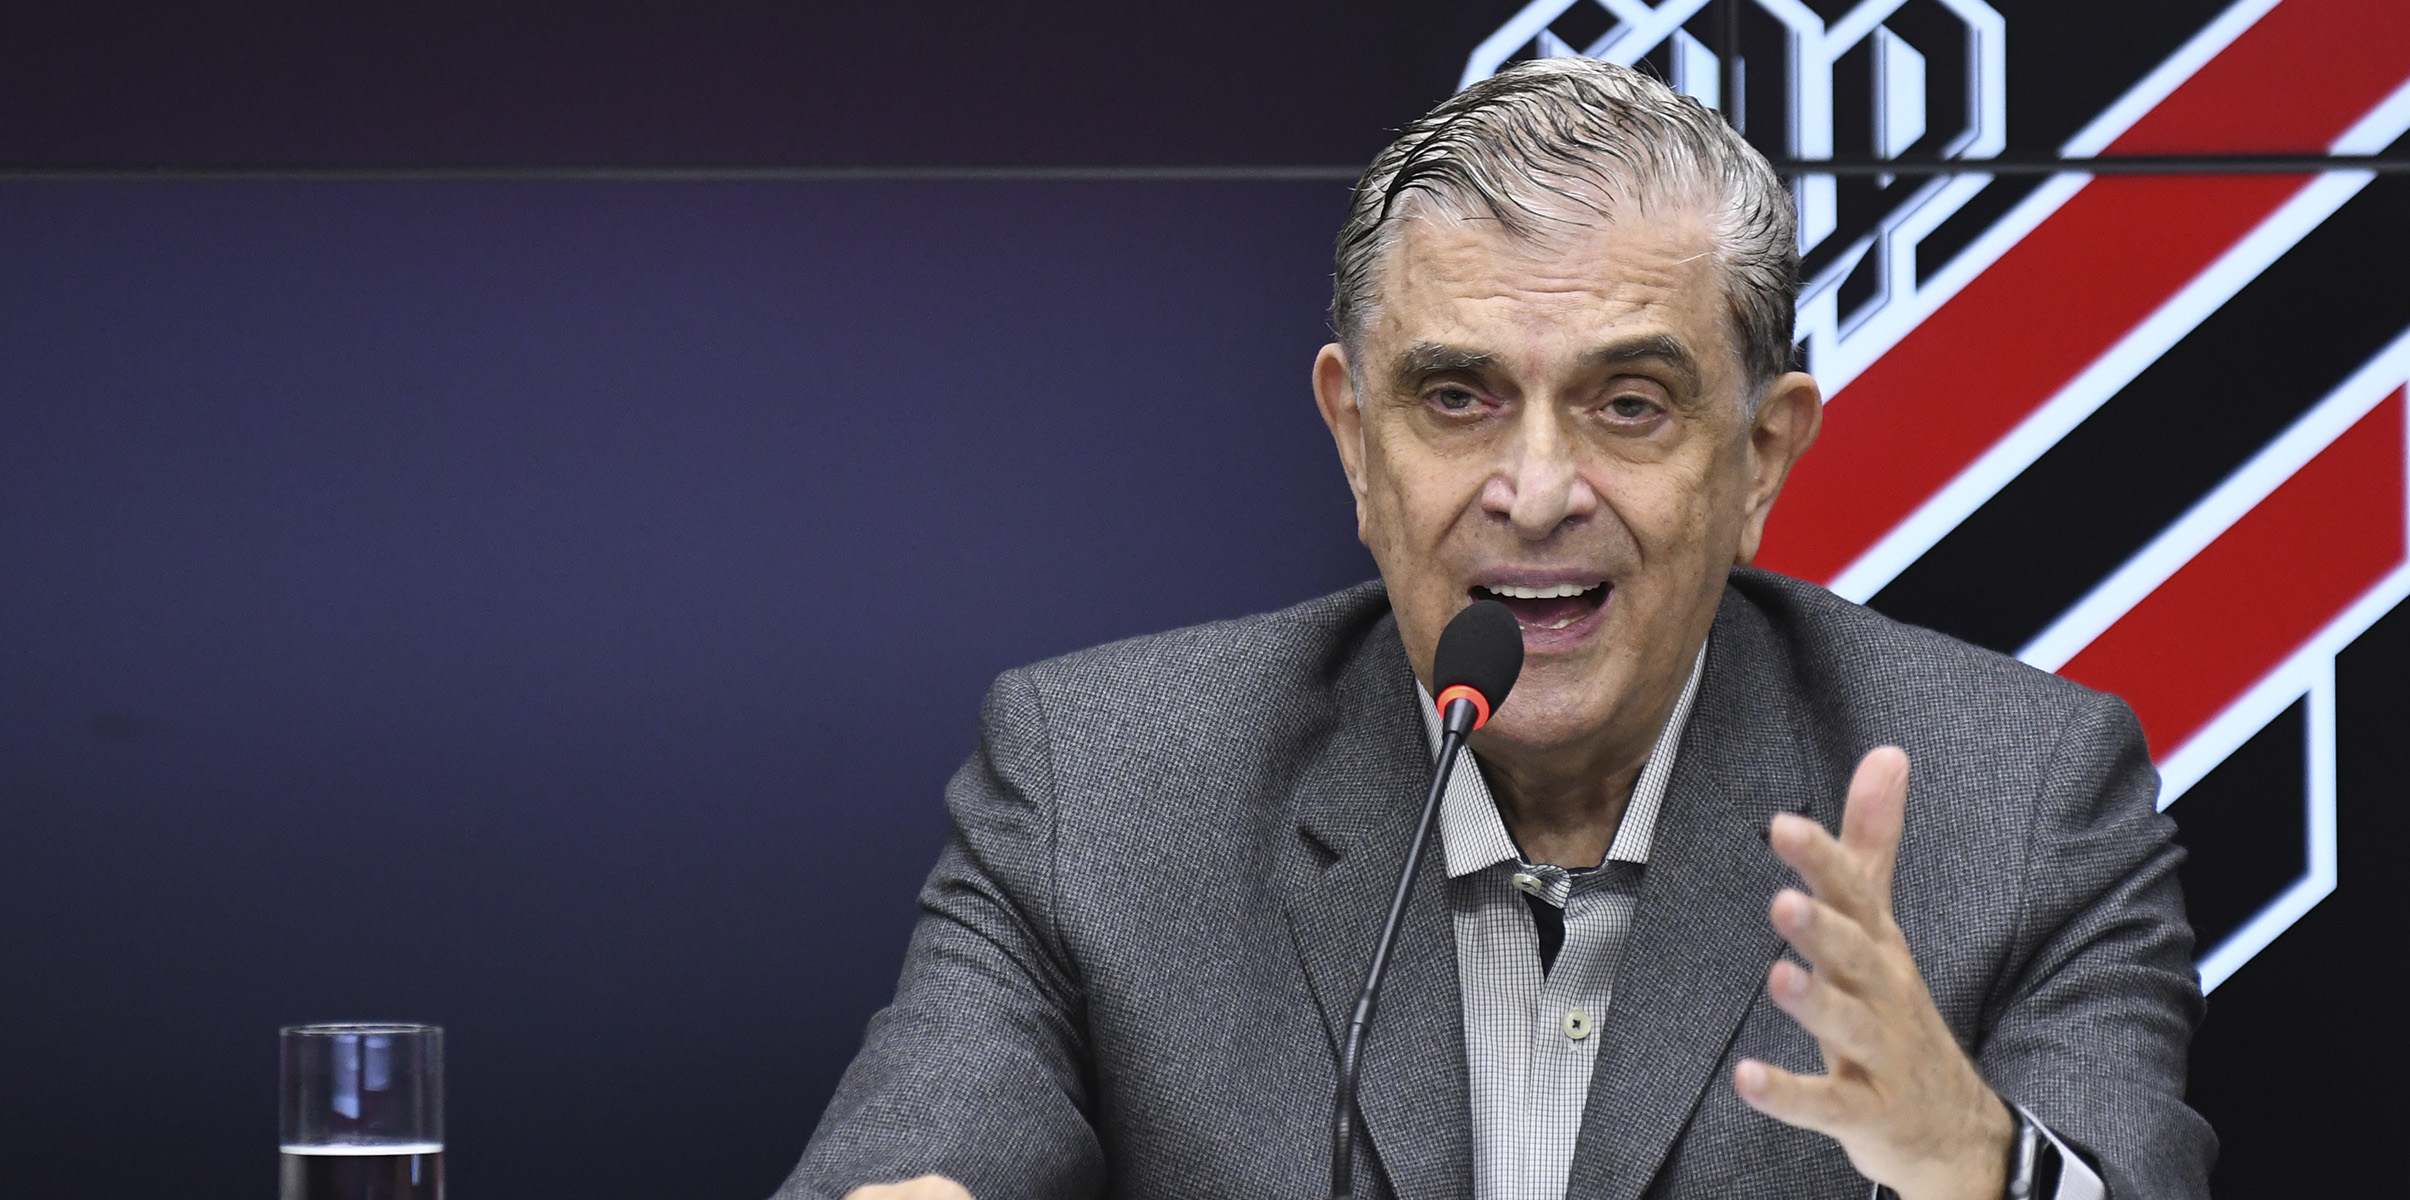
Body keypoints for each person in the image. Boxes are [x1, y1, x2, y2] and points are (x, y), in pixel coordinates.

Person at [773, 56, 2213, 1200]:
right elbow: (913, 1157)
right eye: (1457, 400)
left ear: (1760, 459)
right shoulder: (1100, 787)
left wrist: (1973, 1165)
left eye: (1628, 404)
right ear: (1355, 438)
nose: (1535, 493)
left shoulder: (2022, 804)